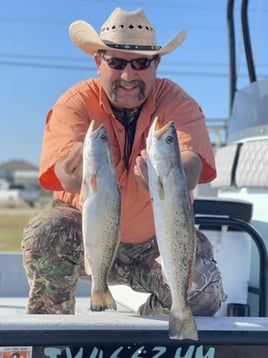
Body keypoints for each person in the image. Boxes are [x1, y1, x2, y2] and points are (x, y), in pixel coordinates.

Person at [21, 8, 226, 315]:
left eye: (141, 62)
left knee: (203, 289)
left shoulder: (178, 103)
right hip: (86, 241)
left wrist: (168, 176)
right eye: (116, 62)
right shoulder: (75, 102)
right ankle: (54, 337)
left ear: (157, 63)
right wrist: (71, 169)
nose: (128, 76)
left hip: (153, 247)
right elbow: (68, 176)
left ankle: (149, 331)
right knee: (44, 232)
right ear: (98, 61)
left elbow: (192, 166)